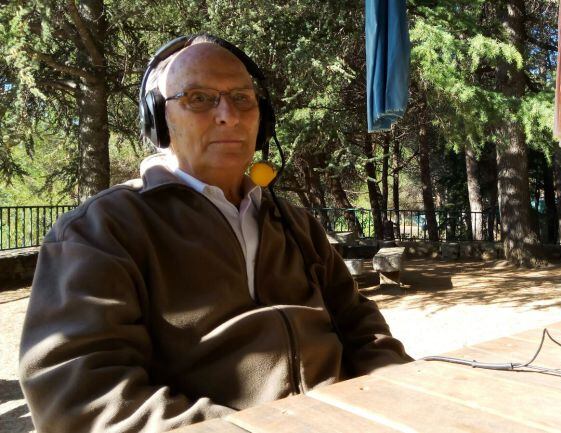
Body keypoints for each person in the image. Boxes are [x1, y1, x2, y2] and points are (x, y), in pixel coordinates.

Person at [18, 34, 411, 433]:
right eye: (200, 98)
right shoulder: (99, 231)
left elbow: (363, 328)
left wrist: (398, 394)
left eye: (243, 98)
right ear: (158, 120)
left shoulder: (295, 222)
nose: (230, 115)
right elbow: (83, 400)